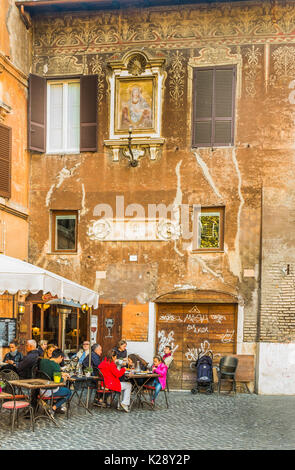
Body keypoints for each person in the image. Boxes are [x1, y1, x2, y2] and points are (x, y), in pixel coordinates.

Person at [39, 348, 72, 416]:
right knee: (68, 392)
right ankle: (53, 408)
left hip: (41, 389)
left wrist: (61, 374)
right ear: (60, 357)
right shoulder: (56, 366)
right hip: (50, 391)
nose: (61, 361)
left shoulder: (43, 361)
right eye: (62, 359)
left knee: (62, 390)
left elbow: (49, 373)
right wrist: (64, 379)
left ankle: (55, 406)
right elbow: (58, 382)